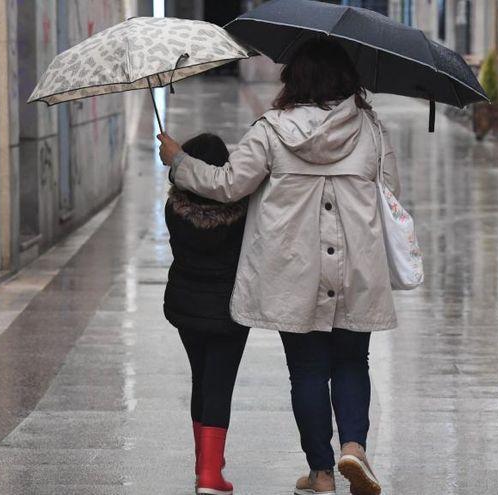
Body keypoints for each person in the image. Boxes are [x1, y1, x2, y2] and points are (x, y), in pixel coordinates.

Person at [158, 37, 399, 495]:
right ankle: (353, 446)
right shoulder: (371, 129)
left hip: (295, 271)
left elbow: (228, 184)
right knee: (352, 361)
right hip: (357, 270)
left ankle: (322, 474)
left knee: (307, 370)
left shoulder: (271, 130)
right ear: (348, 78)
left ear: (295, 80)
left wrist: (180, 162)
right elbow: (390, 196)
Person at [163, 133, 250, 495]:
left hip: (187, 307)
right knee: (219, 385)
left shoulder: (174, 211)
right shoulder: (242, 215)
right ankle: (210, 474)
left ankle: (205, 464)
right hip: (229, 310)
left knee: (201, 379)